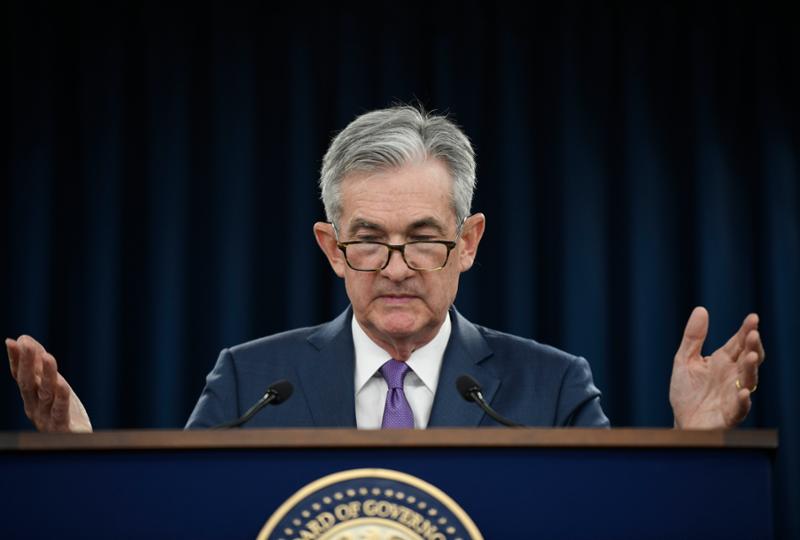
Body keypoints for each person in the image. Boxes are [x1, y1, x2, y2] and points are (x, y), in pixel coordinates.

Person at [5, 106, 765, 432]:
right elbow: (186, 525)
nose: (396, 269)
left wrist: (691, 448)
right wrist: (85, 461)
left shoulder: (553, 387)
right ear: (331, 247)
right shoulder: (250, 383)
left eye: (424, 239)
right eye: (368, 240)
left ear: (469, 241)